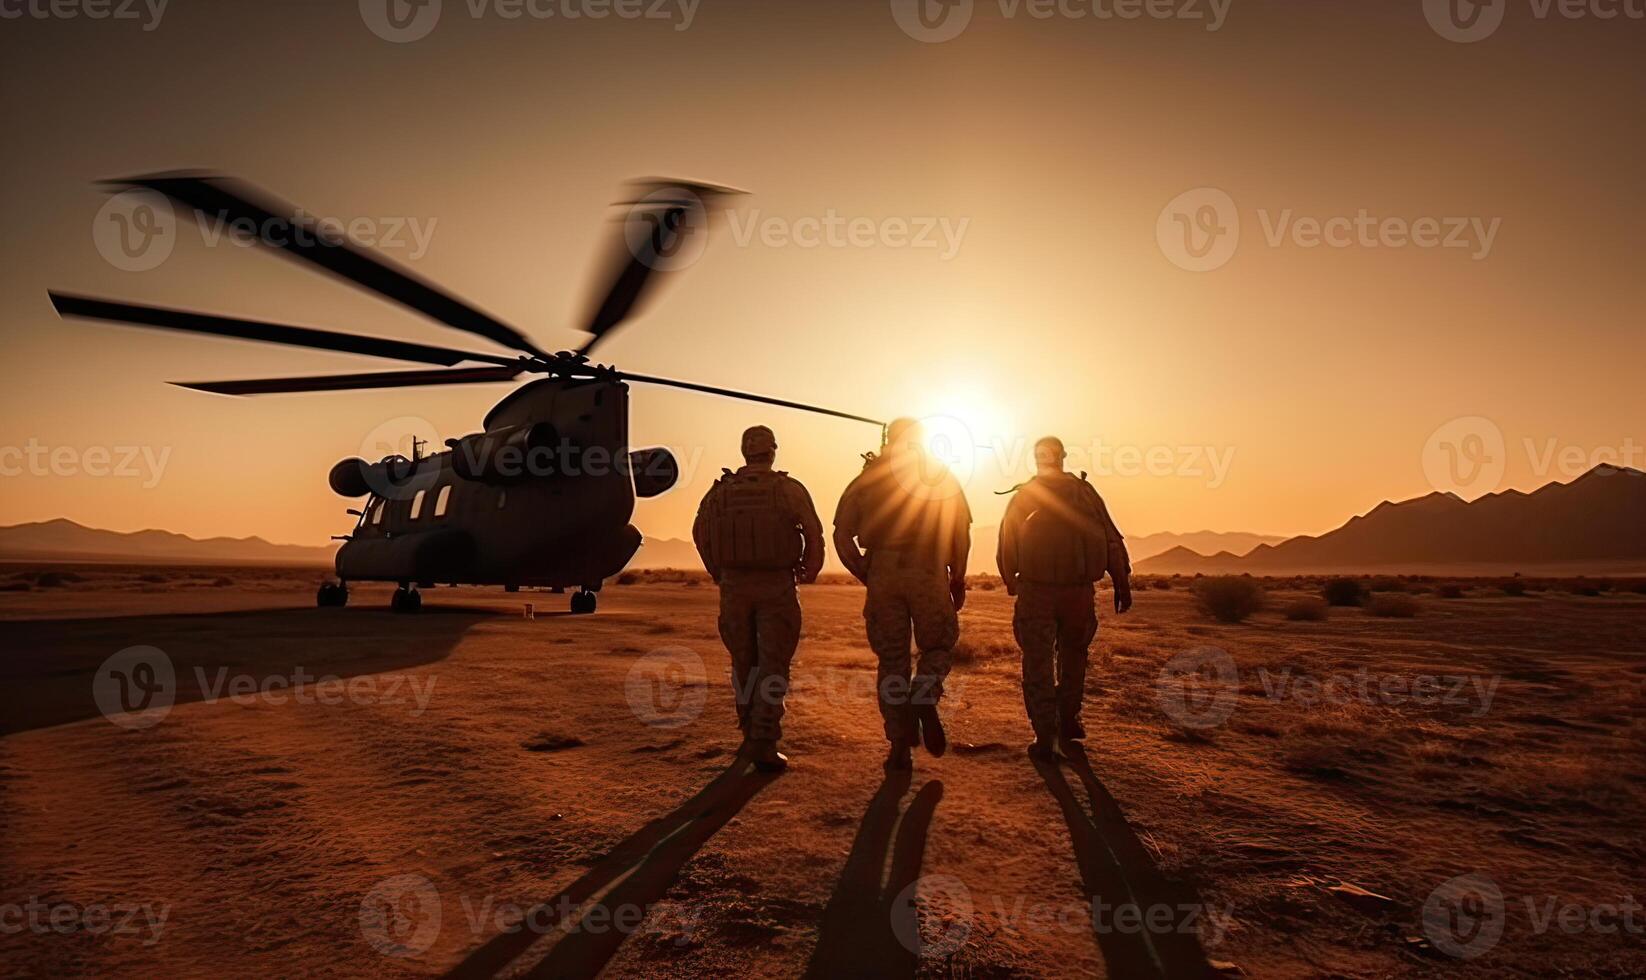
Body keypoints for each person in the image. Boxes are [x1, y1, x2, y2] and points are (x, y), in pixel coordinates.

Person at [834, 418, 972, 771]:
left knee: (892, 660)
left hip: (883, 571)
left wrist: (866, 571)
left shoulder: (868, 478)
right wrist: (957, 577)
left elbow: (841, 534)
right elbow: (959, 532)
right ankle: (924, 694)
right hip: (928, 568)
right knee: (938, 646)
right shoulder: (939, 475)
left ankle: (898, 746)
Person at [693, 425, 825, 773]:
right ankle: (763, 741)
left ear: (744, 452)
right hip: (776, 587)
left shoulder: (720, 492)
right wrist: (809, 569)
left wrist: (718, 573)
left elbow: (700, 533)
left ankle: (749, 733)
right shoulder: (787, 489)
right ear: (772, 451)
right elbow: (813, 530)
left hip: (734, 588)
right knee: (773, 665)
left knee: (743, 663)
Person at [997, 436, 1132, 761]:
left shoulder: (1029, 493)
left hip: (1039, 592)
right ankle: (1066, 719)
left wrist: (1010, 579)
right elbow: (1111, 538)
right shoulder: (1084, 494)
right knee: (1073, 657)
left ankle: (1046, 733)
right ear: (1063, 457)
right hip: (1076, 593)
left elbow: (1007, 540)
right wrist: (1121, 582)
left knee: (1039, 662)